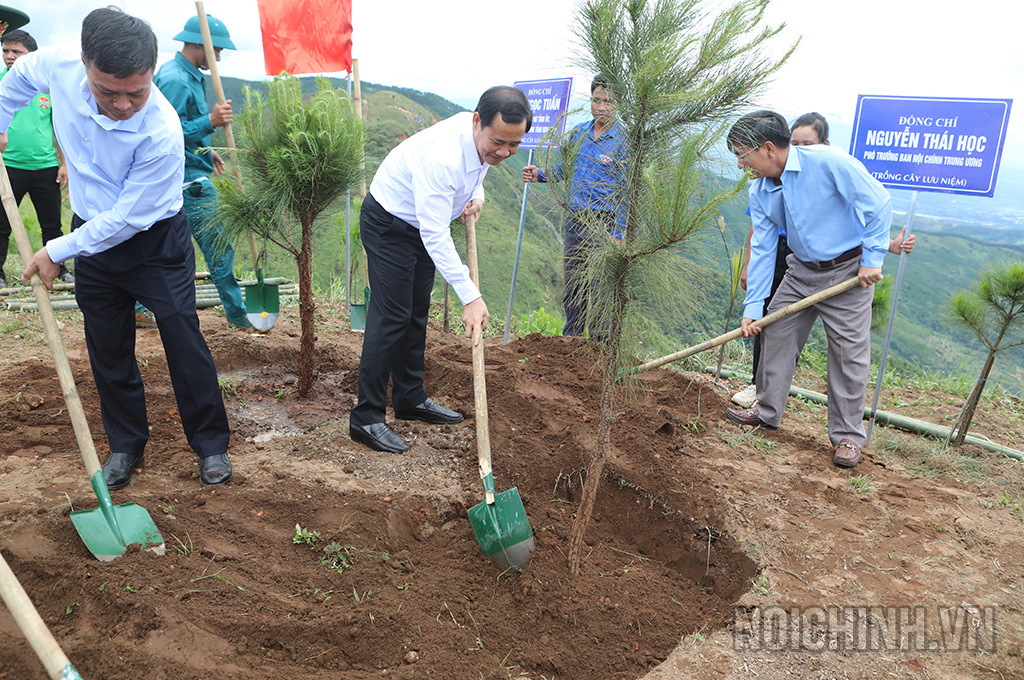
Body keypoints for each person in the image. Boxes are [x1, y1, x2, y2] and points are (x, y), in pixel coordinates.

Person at [0, 7, 233, 488]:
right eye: (110, 91)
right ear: (85, 63)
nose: (125, 104)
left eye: (137, 92)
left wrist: (57, 249)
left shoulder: (161, 131)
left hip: (154, 241)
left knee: (181, 336)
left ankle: (211, 445)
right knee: (108, 346)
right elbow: (17, 80)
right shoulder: (58, 65)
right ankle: (126, 446)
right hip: (89, 233)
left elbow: (128, 219)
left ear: (151, 73)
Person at [349, 86, 531, 454]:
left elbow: (477, 171)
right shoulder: (443, 158)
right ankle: (366, 418)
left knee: (416, 313)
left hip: (422, 225)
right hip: (391, 224)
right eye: (498, 142)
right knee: (392, 316)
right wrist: (471, 296)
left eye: (514, 145)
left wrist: (476, 196)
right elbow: (433, 234)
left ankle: (410, 398)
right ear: (477, 121)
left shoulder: (482, 141)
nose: (504, 152)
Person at [724, 110, 893, 468]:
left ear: (768, 148)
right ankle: (767, 411)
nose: (741, 165)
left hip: (848, 271)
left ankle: (847, 436)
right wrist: (753, 307)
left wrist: (872, 258)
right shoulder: (760, 191)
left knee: (848, 353)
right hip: (801, 272)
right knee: (776, 330)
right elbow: (765, 249)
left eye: (743, 155)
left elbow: (879, 203)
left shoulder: (829, 163)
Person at [151, 14, 251, 330]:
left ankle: (140, 307)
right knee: (218, 246)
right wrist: (211, 121)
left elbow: (182, 128)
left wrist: (207, 149)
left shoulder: (187, 75)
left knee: (161, 247)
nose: (218, 57)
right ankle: (237, 313)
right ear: (199, 44)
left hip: (191, 167)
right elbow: (165, 132)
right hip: (186, 181)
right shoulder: (176, 80)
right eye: (216, 50)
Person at [523, 74, 625, 339]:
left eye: (608, 102)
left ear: (618, 105)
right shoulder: (579, 133)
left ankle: (600, 349)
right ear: (590, 99)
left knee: (601, 291)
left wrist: (619, 233)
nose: (601, 107)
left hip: (605, 224)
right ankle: (571, 345)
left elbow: (628, 192)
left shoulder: (624, 141)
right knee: (574, 288)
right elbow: (567, 168)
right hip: (575, 221)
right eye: (596, 100)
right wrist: (540, 174)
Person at [0, 29, 72, 288]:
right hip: (8, 168)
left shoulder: (47, 89)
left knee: (52, 224)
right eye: (5, 51)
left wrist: (64, 163)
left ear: (32, 56)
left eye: (16, 51)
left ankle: (60, 268)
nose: (9, 56)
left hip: (45, 166)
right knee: (1, 224)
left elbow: (59, 128)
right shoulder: (0, 85)